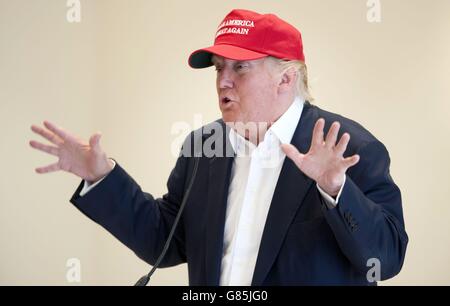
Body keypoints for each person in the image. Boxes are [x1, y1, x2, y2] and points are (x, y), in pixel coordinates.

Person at [29, 9, 408, 285]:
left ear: (286, 78)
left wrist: (336, 191)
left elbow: (385, 259)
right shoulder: (203, 148)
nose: (223, 81)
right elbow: (164, 240)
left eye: (240, 68)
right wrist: (102, 176)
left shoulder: (348, 148)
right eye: (218, 68)